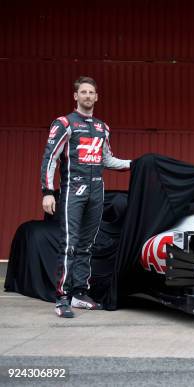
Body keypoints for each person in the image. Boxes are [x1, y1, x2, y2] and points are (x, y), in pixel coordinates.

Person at [40, 76, 131, 318]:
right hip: (73, 190)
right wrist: (47, 192)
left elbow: (107, 159)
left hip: (96, 191)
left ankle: (79, 293)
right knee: (69, 244)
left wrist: (136, 164)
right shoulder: (64, 123)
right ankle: (62, 298)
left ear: (97, 97)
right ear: (75, 96)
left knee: (87, 246)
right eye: (83, 92)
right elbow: (50, 158)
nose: (88, 96)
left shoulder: (102, 127)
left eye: (91, 92)